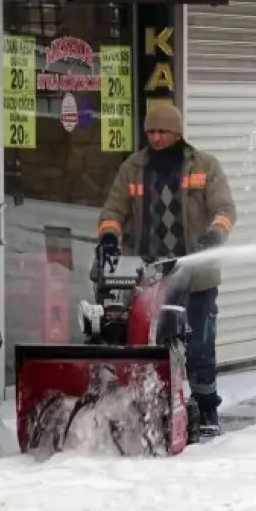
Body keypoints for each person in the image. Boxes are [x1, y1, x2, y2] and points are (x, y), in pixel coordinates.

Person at [96, 101, 236, 437]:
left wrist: (215, 234)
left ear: (177, 132)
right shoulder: (133, 168)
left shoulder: (205, 166)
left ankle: (206, 411)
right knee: (148, 342)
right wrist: (110, 237)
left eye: (162, 131)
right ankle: (149, 405)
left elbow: (225, 209)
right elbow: (113, 210)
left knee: (200, 345)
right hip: (149, 276)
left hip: (196, 275)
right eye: (151, 132)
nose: (156, 138)